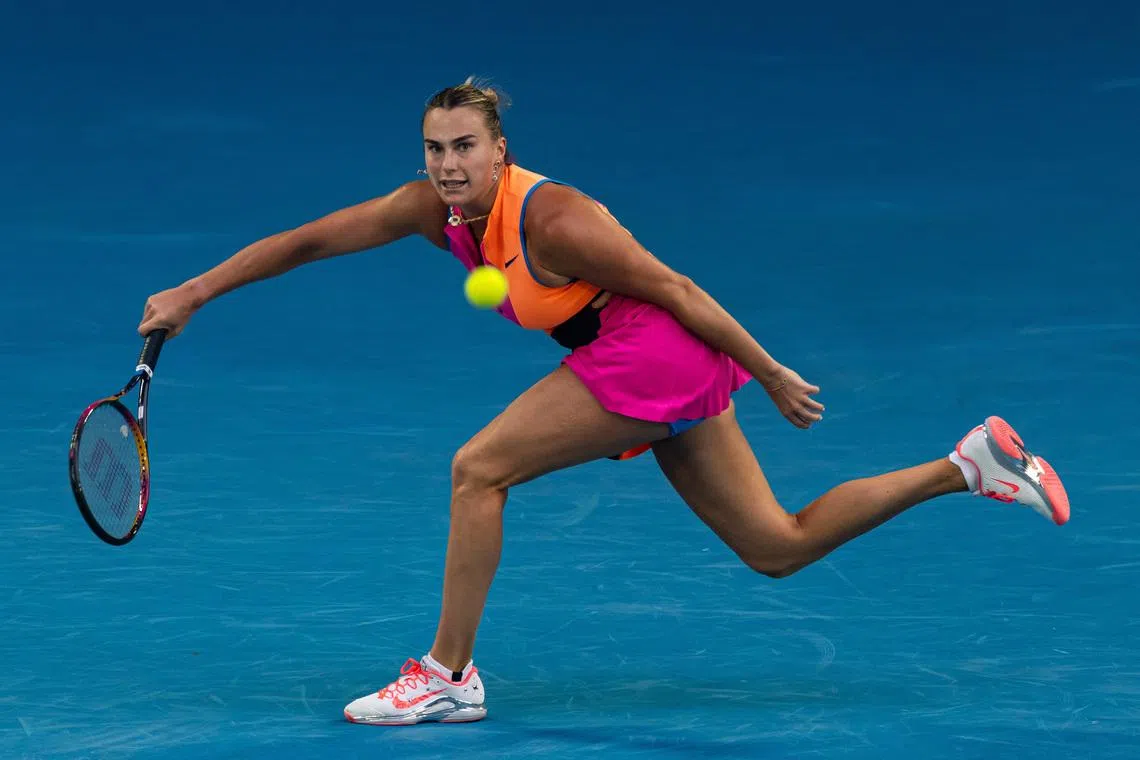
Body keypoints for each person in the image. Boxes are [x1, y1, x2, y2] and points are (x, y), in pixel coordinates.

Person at [138, 78, 1071, 726]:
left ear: (501, 149)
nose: (448, 164)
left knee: (478, 469)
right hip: (642, 363)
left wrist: (774, 371)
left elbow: (679, 290)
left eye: (465, 147)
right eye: (434, 149)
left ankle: (448, 675)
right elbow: (308, 240)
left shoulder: (557, 218)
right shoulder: (430, 208)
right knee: (775, 547)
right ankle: (968, 465)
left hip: (656, 351)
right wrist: (195, 291)